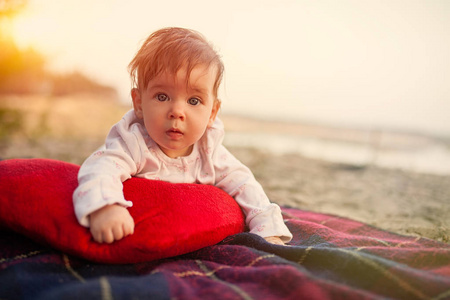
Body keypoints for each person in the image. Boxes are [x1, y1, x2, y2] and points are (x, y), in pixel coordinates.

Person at [73, 27, 292, 246]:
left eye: (194, 101)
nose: (177, 111)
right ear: (139, 103)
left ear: (212, 113)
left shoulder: (209, 151)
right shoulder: (134, 142)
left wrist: (268, 230)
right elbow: (101, 167)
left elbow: (245, 184)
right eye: (162, 96)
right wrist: (105, 207)